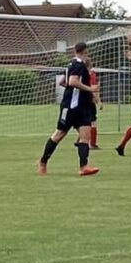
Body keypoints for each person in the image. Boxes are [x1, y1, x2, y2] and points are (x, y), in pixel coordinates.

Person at [36, 42, 100, 177]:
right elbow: (72, 82)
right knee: (59, 135)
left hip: (81, 107)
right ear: (85, 51)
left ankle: (84, 167)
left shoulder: (72, 64)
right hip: (70, 107)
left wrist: (77, 93)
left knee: (85, 135)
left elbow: (63, 82)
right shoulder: (78, 65)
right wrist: (90, 89)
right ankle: (42, 162)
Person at [87, 63, 103, 149]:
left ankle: (79, 140)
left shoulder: (79, 73)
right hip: (89, 101)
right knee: (93, 122)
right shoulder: (91, 74)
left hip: (80, 102)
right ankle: (92, 144)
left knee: (83, 122)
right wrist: (99, 102)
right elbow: (94, 89)